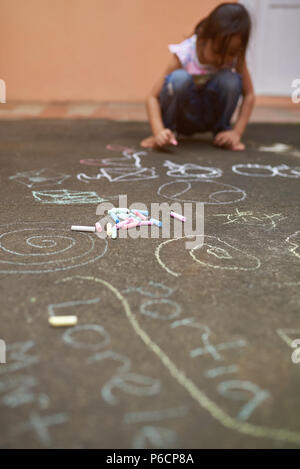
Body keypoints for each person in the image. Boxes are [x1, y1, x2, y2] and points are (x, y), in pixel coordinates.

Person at [140, 2, 255, 151]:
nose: (223, 60)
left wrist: (236, 132)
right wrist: (158, 131)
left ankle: (222, 132)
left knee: (230, 80)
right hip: (182, 117)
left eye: (231, 53)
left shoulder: (236, 59)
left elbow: (249, 95)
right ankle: (168, 132)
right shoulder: (186, 52)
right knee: (178, 79)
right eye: (218, 52)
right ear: (203, 38)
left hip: (210, 118)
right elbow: (152, 97)